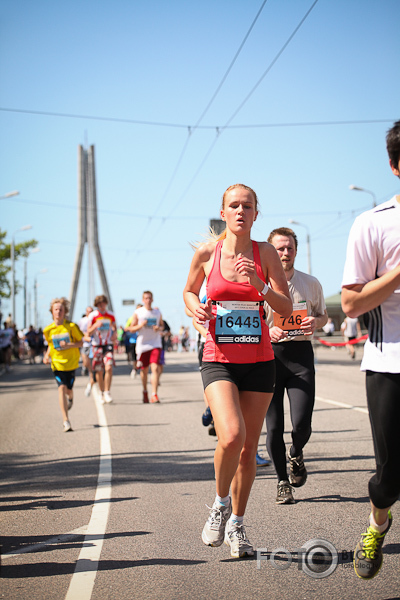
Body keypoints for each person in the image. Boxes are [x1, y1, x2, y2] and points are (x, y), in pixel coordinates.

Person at [183, 183, 291, 558]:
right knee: (230, 435)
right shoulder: (207, 253)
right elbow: (188, 292)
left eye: (248, 206)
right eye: (234, 205)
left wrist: (259, 284)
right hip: (218, 358)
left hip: (260, 361)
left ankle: (238, 525)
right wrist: (195, 308)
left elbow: (285, 304)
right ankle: (219, 503)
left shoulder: (264, 253)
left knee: (248, 450)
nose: (241, 211)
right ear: (223, 212)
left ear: (256, 214)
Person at [341, 120, 400, 580]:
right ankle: (378, 521)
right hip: (389, 362)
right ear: (395, 166)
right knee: (391, 476)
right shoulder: (373, 223)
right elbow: (352, 302)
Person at [265, 227, 328, 505]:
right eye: (279, 248)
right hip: (269, 357)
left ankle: (297, 451)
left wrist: (317, 322)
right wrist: (268, 333)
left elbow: (323, 316)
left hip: (301, 356)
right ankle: (282, 482)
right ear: (270, 251)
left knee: (302, 424)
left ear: (296, 251)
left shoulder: (310, 283)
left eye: (289, 248)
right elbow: (252, 320)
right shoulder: (261, 284)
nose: (285, 253)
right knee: (273, 427)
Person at [43, 297, 83, 432]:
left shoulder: (71, 327)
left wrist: (69, 345)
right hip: (57, 364)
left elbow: (81, 342)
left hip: (71, 363)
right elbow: (50, 345)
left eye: (61, 309)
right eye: (56, 309)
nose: (58, 312)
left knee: (68, 390)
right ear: (52, 312)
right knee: (61, 388)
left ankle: (70, 397)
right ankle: (66, 420)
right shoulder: (48, 330)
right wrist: (47, 355)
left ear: (65, 311)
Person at [128, 291, 164, 403]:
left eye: (150, 298)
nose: (148, 300)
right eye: (146, 298)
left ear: (152, 299)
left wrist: (158, 328)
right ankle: (145, 391)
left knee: (155, 368)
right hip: (143, 345)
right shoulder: (138, 312)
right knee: (144, 370)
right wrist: (141, 325)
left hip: (155, 343)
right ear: (143, 300)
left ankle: (154, 394)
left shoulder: (157, 312)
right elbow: (130, 328)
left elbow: (162, 326)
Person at [87, 295, 117, 404]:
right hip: (97, 345)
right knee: (99, 370)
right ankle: (101, 391)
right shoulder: (93, 316)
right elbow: (88, 332)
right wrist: (95, 325)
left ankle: (107, 392)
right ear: (97, 305)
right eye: (100, 304)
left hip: (108, 344)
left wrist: (114, 335)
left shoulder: (110, 315)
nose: (102, 306)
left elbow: (114, 327)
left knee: (108, 367)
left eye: (104, 304)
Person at [79, 306, 94, 396]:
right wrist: (85, 337)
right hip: (84, 345)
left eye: (91, 311)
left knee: (93, 368)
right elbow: (79, 333)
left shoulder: (96, 320)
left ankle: (90, 382)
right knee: (86, 362)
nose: (90, 313)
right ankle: (85, 368)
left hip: (93, 346)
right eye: (88, 311)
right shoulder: (82, 321)